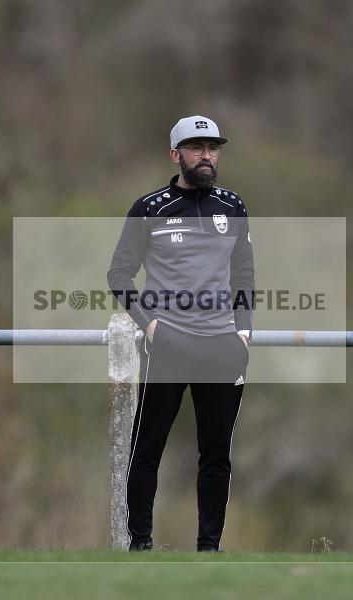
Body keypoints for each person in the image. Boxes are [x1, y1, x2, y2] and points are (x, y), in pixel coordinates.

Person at [107, 115, 255, 552]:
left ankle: (209, 550)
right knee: (147, 450)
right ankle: (142, 547)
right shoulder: (149, 208)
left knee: (216, 456)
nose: (207, 156)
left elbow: (244, 273)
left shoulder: (233, 206)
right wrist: (150, 325)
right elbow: (118, 273)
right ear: (177, 155)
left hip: (222, 348)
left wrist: (244, 333)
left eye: (213, 148)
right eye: (197, 148)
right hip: (167, 345)